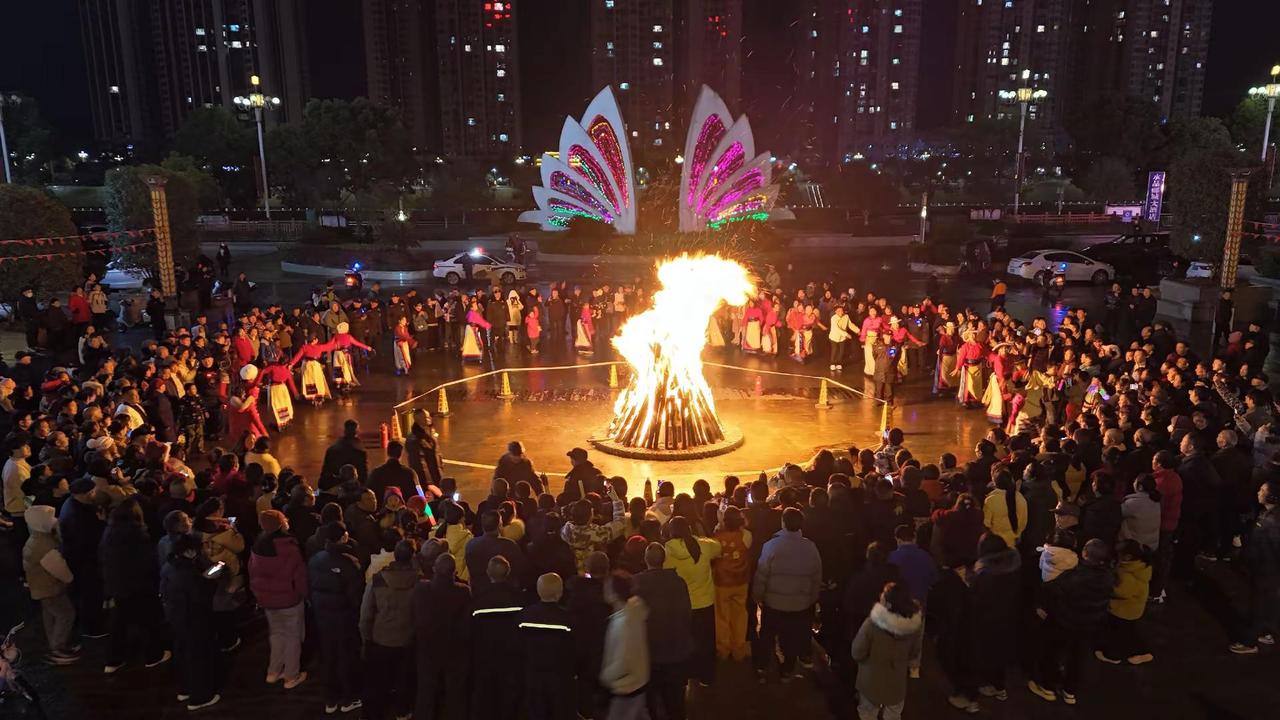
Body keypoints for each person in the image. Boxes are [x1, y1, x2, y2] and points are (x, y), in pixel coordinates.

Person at [1028, 539, 1115, 705]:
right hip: (1090, 625)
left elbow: (1052, 591)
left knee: (1053, 653)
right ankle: (1070, 691)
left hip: (1066, 622)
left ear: (1085, 554)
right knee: (1078, 657)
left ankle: (1047, 687)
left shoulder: (1075, 577)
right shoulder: (1108, 577)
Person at [100, 499, 170, 674]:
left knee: (118, 622)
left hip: (117, 585)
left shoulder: (109, 534)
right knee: (148, 621)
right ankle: (153, 655)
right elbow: (147, 563)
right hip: (140, 585)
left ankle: (113, 660)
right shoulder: (137, 535)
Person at [752, 507, 821, 681]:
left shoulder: (771, 546)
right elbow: (816, 577)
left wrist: (758, 597)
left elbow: (761, 575)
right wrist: (811, 600)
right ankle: (787, 670)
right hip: (800, 604)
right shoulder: (810, 547)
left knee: (767, 635)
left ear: (783, 523)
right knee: (791, 637)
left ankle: (762, 667)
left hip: (774, 603)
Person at [160, 533, 222, 711]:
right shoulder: (187, 573)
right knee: (198, 657)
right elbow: (201, 596)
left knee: (183, 654)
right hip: (194, 619)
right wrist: (211, 580)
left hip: (175, 617)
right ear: (188, 552)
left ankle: (185, 688)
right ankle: (200, 697)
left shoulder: (169, 565)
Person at [307, 523, 365, 715]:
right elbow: (355, 596)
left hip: (323, 618)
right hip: (344, 618)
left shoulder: (316, 559)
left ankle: (330, 699)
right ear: (342, 537)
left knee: (329, 657)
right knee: (347, 658)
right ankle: (349, 698)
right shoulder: (348, 562)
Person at [248, 509, 308, 689]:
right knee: (293, 637)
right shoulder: (289, 547)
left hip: (267, 601)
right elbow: (299, 576)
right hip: (289, 599)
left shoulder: (257, 547)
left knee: (275, 634)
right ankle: (291, 675)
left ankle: (273, 671)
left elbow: (252, 574)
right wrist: (304, 594)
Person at [359, 540, 418, 720]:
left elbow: (366, 614)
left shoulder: (377, 580)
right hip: (407, 639)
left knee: (377, 681)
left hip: (381, 638)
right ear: (413, 557)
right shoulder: (420, 582)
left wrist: (366, 639)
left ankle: (374, 714)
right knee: (404, 680)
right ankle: (402, 711)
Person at [634, 543, 692, 720]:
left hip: (648, 651)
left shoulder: (636, 583)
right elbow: (687, 613)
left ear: (645, 560)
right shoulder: (678, 582)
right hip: (675, 649)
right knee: (675, 699)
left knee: (650, 699)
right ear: (664, 560)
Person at [850, 582, 924, 720]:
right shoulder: (915, 626)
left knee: (867, 713)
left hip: (870, 680)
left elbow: (857, 652)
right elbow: (914, 652)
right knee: (893, 715)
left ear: (888, 602)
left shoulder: (872, 624)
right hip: (897, 682)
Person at [663, 516, 721, 686]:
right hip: (704, 603)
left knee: (685, 642)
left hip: (681, 605)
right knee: (705, 641)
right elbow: (718, 547)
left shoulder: (667, 549)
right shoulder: (703, 545)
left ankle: (687, 674)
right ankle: (706, 676)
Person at [414, 553, 473, 720]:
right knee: (455, 694)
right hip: (454, 649)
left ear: (434, 569)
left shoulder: (422, 589)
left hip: (428, 648)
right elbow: (466, 624)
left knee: (426, 691)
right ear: (454, 572)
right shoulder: (463, 592)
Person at [22, 505, 78, 665]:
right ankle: (58, 649)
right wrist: (70, 578)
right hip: (51, 588)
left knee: (50, 615)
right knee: (66, 615)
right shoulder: (44, 545)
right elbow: (59, 568)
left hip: (40, 587)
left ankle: (55, 645)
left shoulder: (34, 539)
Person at [467, 556, 523, 720]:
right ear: (508, 573)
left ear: (488, 573)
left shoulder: (479, 600)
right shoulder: (519, 598)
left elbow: (471, 629)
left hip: (484, 656)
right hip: (511, 657)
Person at [968, 533, 1020, 701]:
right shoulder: (1014, 567)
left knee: (985, 653)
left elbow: (976, 601)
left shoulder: (986, 574)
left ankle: (985, 685)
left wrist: (968, 582)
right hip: (1009, 619)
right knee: (1000, 655)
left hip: (987, 621)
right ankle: (1000, 687)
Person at [1230, 479, 1280, 654]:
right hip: (1268, 569)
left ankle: (1250, 642)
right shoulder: (1270, 516)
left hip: (1265, 569)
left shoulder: (1270, 522)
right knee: (1268, 603)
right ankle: (1266, 632)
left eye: (1262, 490)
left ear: (1272, 497)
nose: (1258, 492)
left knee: (1257, 605)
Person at [519, 573, 577, 720]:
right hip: (560, 680)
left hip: (533, 678)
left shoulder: (525, 616)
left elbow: (517, 646)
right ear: (560, 593)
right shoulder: (567, 619)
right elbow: (575, 650)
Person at [600, 572, 650, 720]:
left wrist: (606, 676)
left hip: (626, 687)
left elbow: (624, 660)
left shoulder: (622, 623)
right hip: (638, 681)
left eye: (607, 587)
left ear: (614, 595)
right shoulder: (635, 611)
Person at [1096, 539, 1154, 665]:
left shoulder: (1129, 573)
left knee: (1119, 634)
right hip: (1131, 609)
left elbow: (1122, 592)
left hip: (1124, 611)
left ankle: (1113, 656)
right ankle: (1143, 652)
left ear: (1127, 556)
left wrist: (1107, 586)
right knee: (1128, 632)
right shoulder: (1138, 566)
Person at [711, 505, 752, 661]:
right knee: (740, 615)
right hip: (741, 581)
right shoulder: (746, 536)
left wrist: (719, 525)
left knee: (721, 617)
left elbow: (714, 555)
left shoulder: (717, 538)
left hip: (722, 582)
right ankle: (738, 649)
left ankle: (723, 649)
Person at [982, 470, 1027, 549]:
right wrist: (1018, 534)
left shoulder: (990, 500)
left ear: (994, 483)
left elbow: (986, 524)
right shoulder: (1019, 497)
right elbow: (1023, 520)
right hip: (1013, 541)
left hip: (996, 543)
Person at [321, 419, 369, 486]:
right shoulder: (360, 453)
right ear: (357, 432)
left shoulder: (331, 450)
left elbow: (324, 476)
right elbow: (364, 478)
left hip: (334, 488)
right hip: (353, 489)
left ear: (345, 431)